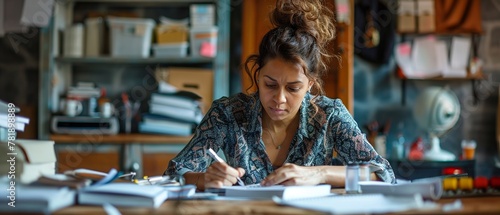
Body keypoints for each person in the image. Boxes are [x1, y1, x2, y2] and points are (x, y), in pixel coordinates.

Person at [165, 0, 396, 190]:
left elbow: (383, 174)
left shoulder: (329, 115)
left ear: (310, 85)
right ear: (257, 75)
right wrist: (204, 179)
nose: (280, 98)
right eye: (270, 84)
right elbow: (174, 173)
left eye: (293, 88)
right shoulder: (227, 114)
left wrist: (319, 174)